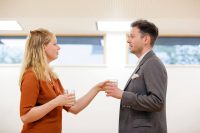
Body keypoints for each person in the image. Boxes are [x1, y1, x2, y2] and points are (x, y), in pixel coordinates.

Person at [19, 28, 105, 133]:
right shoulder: (31, 75)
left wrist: (97, 88)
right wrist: (56, 102)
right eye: (55, 44)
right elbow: (25, 116)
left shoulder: (53, 78)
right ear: (43, 47)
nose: (59, 48)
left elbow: (74, 108)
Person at [105, 19, 168, 133]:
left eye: (132, 36)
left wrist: (123, 95)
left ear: (145, 39)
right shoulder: (145, 63)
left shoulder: (152, 63)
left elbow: (157, 102)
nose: (128, 40)